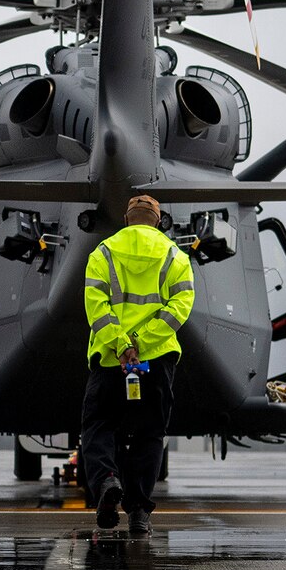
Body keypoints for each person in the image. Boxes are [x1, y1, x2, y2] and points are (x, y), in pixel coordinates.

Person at [82, 194, 194, 536]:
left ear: (127, 219)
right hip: (156, 360)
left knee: (99, 426)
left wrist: (122, 344)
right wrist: (143, 344)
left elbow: (95, 304)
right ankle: (140, 515)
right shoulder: (176, 256)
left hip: (110, 359)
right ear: (158, 221)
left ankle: (107, 481)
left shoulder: (103, 253)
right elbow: (181, 304)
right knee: (150, 433)